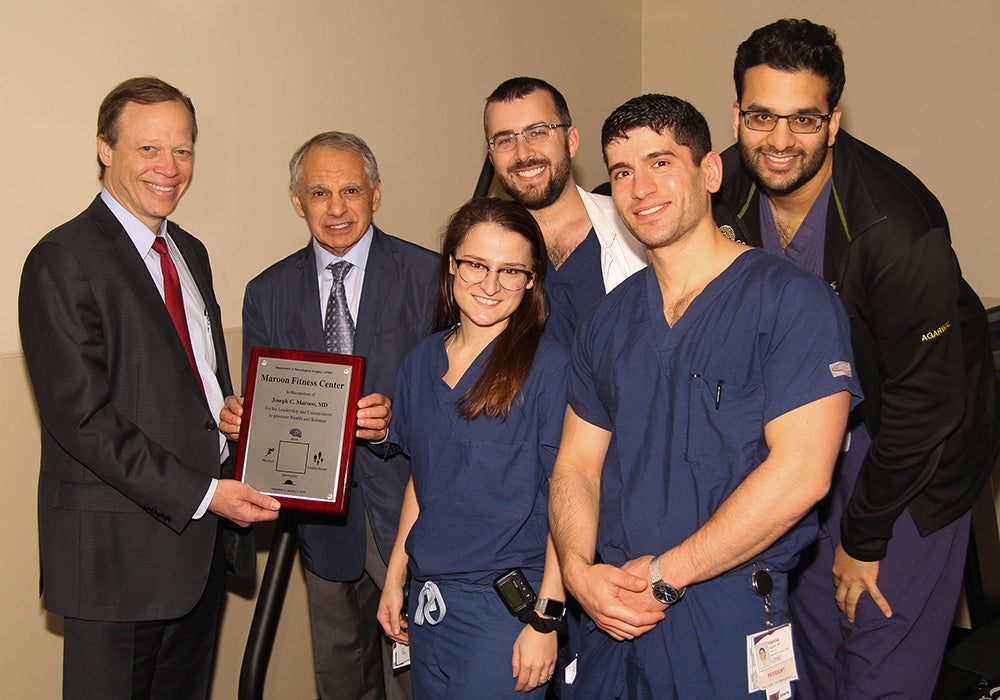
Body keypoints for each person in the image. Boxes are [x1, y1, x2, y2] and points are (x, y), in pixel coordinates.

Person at [713, 19, 998, 698]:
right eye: (762, 117)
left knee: (876, 659)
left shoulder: (895, 228)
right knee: (806, 655)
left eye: (804, 120)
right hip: (807, 444)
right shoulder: (724, 189)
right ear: (738, 115)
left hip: (911, 453)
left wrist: (865, 538)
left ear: (833, 122)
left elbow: (927, 405)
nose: (780, 142)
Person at [548, 93, 861, 698]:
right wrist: (579, 572)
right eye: (622, 171)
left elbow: (802, 474)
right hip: (613, 614)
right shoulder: (605, 323)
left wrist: (668, 575)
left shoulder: (790, 303)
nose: (641, 188)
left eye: (661, 162)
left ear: (710, 171)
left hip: (726, 611)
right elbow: (575, 467)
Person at [18, 76, 281, 699]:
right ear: (106, 149)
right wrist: (205, 493)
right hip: (117, 560)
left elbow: (193, 382)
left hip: (199, 554)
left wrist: (231, 415)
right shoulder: (62, 259)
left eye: (183, 150)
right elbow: (83, 421)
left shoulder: (189, 250)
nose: (169, 168)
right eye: (148, 149)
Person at [219, 131, 437, 700]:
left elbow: (459, 401)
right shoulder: (266, 293)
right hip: (320, 521)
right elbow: (265, 405)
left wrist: (398, 418)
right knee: (341, 672)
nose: (336, 208)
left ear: (376, 193)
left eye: (350, 190)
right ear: (298, 201)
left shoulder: (430, 276)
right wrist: (246, 424)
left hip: (411, 508)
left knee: (413, 674)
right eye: (319, 193)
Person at [377, 198, 569, 698]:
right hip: (428, 600)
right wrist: (395, 576)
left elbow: (569, 498)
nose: (490, 285)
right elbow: (425, 480)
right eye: (477, 265)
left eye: (511, 272)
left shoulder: (548, 370)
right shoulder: (421, 362)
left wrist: (546, 618)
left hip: (503, 612)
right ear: (452, 265)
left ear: (532, 281)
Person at [484, 77, 646, 348]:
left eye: (537, 132)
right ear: (492, 159)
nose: (523, 153)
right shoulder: (482, 251)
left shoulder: (637, 226)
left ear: (571, 141)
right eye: (505, 140)